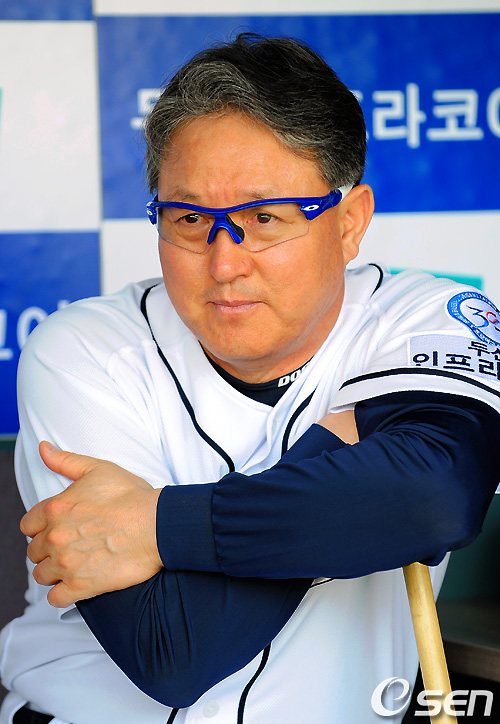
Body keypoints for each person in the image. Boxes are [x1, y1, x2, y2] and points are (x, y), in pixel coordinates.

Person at [1, 33, 499, 724]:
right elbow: (172, 650)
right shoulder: (85, 349)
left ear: (349, 223)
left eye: (264, 218)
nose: (225, 263)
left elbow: (433, 500)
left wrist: (159, 524)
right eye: (189, 219)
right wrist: (343, 471)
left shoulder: (422, 318)